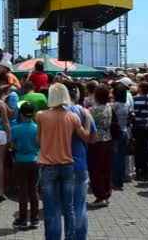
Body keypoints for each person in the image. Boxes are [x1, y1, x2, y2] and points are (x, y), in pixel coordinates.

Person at [36, 83, 90, 240]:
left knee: (51, 209)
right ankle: (70, 237)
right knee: (69, 207)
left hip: (47, 166)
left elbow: (38, 141)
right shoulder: (72, 117)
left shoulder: (41, 115)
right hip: (67, 165)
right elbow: (85, 136)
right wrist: (86, 117)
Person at [62, 80, 97, 240]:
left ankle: (69, 236)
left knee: (65, 207)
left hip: (60, 163)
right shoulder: (83, 112)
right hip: (79, 162)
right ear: (76, 93)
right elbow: (92, 139)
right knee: (79, 205)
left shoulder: (54, 113)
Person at [10, 102, 40, 230]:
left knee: (23, 190)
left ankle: (23, 219)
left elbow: (11, 145)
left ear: (21, 114)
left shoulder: (15, 129)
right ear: (33, 114)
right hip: (35, 161)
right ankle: (34, 219)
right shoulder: (38, 128)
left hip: (21, 161)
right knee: (34, 189)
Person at [88, 84, 114, 207]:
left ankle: (100, 196)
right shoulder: (109, 107)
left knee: (95, 170)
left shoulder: (92, 110)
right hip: (108, 139)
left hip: (96, 141)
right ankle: (107, 193)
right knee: (106, 169)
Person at [111, 84, 131, 190]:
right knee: (122, 157)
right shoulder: (126, 104)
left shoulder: (114, 105)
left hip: (116, 133)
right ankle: (120, 180)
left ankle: (116, 181)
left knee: (116, 158)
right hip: (124, 132)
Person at [132, 82, 148, 180]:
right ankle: (144, 169)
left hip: (137, 125)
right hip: (146, 126)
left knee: (137, 148)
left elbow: (133, 112)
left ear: (140, 89)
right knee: (146, 148)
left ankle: (137, 169)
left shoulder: (135, 99)